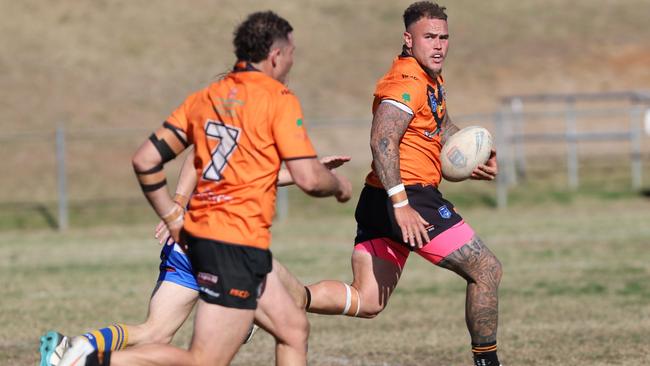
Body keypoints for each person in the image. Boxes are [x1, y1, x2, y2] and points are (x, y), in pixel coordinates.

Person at [65, 10, 352, 366]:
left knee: (293, 329)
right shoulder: (277, 99)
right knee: (203, 360)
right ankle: (87, 361)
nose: (293, 60)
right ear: (276, 55)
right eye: (292, 52)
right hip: (234, 243)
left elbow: (145, 160)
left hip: (211, 238)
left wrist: (173, 212)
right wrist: (338, 185)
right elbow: (310, 179)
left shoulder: (206, 98)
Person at [298, 3, 504, 366]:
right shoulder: (406, 82)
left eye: (443, 37)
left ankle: (282, 301)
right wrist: (402, 204)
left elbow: (440, 127)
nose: (438, 45)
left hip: (381, 197)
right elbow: (382, 141)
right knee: (486, 268)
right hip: (407, 197)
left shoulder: (428, 78)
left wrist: (476, 152)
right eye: (429, 37)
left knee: (367, 300)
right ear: (409, 40)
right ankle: (487, 362)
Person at [38, 152, 350, 366]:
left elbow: (250, 177)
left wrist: (304, 173)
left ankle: (74, 352)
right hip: (218, 242)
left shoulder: (232, 118)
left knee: (155, 332)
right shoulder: (244, 112)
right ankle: (248, 314)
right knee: (269, 332)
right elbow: (195, 158)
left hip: (188, 240)